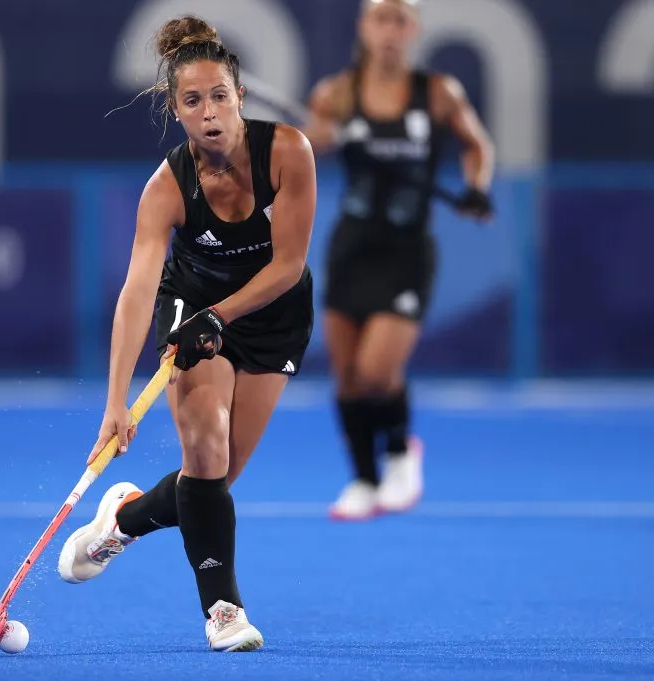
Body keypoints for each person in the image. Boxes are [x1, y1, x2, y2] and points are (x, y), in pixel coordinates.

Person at [56, 15, 317, 652]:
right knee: (204, 451)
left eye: (220, 96)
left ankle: (122, 521)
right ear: (176, 110)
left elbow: (288, 266)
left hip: (272, 314)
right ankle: (223, 610)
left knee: (214, 481)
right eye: (193, 100)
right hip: (191, 306)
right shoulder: (166, 189)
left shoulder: (287, 153)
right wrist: (115, 403)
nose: (209, 112)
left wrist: (223, 318)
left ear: (240, 98)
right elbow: (135, 295)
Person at [303, 0, 495, 520]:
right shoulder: (335, 95)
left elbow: (477, 145)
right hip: (352, 248)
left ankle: (400, 451)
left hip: (407, 253)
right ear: (365, 28)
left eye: (400, 21)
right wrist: (317, 143)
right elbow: (303, 154)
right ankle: (364, 480)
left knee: (375, 369)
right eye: (380, 19)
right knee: (345, 375)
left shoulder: (436, 93)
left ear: (413, 30)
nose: (390, 31)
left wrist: (477, 187)